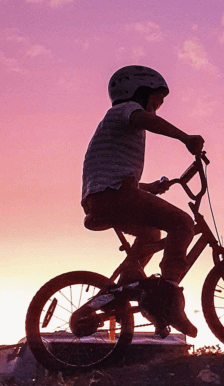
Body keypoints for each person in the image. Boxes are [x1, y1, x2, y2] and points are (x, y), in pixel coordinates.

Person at [80, 65, 202, 338]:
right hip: (114, 195)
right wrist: (185, 138)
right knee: (183, 223)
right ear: (139, 92)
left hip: (104, 197)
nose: (156, 108)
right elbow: (149, 121)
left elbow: (109, 173)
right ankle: (169, 294)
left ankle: (131, 285)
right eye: (156, 101)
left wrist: (149, 188)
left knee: (151, 232)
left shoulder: (114, 122)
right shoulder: (124, 112)